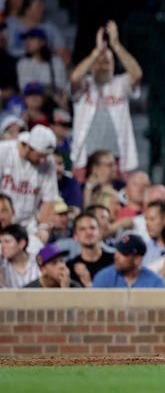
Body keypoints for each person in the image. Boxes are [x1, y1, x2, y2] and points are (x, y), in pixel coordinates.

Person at [70, 21, 142, 176]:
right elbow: (74, 77)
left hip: (117, 159)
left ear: (114, 65)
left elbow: (136, 73)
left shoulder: (120, 83)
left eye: (107, 62)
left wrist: (116, 45)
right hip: (85, 159)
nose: (103, 66)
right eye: (99, 63)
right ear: (91, 66)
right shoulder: (85, 84)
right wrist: (97, 52)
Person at [0, 125, 58, 244]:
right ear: (28, 146)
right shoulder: (3, 151)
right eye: (40, 155)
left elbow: (49, 199)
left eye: (45, 156)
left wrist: (43, 227)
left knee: (44, 253)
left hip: (28, 225)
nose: (43, 160)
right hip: (2, 220)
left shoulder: (48, 164)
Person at [92, 232, 165, 288]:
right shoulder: (104, 277)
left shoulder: (155, 283)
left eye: (123, 253)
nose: (116, 256)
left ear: (137, 259)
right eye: (117, 251)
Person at [66, 212, 114, 287]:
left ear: (100, 232)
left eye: (92, 228)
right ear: (75, 236)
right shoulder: (70, 268)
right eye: (82, 229)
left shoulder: (114, 262)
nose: (88, 232)